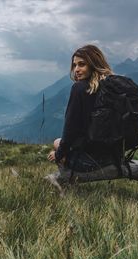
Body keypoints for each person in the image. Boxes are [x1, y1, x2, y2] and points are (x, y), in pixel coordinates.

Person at [47, 44, 115, 173]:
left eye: (82, 64)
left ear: (93, 64)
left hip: (92, 159)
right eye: (74, 65)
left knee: (57, 143)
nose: (76, 69)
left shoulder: (80, 88)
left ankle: (66, 183)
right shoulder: (111, 86)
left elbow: (70, 128)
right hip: (114, 154)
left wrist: (58, 154)